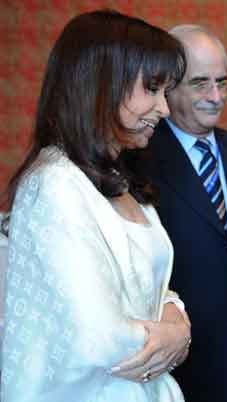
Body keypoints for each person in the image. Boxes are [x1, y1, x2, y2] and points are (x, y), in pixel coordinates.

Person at [0, 10, 191, 402]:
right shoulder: (54, 184)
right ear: (102, 84)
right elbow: (99, 338)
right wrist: (174, 335)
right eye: (152, 89)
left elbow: (145, 284)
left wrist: (174, 315)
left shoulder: (121, 177)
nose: (165, 109)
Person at [144, 24, 227, 402]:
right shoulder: (141, 160)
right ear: (168, 86)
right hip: (173, 361)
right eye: (200, 83)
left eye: (223, 82)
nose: (216, 97)